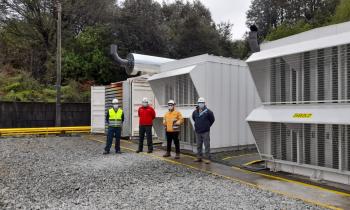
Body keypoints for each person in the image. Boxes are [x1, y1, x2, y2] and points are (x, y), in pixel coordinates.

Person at [192, 97, 215, 163]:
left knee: (206, 145)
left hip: (205, 131)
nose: (201, 104)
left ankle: (207, 158)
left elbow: (212, 119)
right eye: (199, 103)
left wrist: (207, 126)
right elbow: (194, 119)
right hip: (198, 131)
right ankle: (199, 157)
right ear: (198, 103)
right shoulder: (195, 112)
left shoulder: (208, 111)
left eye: (202, 103)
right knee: (199, 145)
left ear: (204, 103)